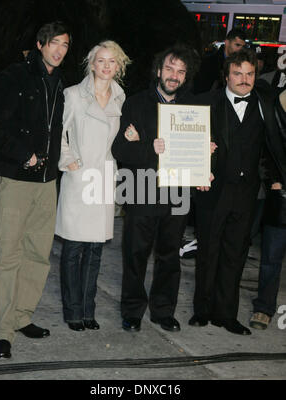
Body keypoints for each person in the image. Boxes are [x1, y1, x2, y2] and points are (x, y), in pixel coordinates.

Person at [0, 21, 71, 360]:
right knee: (8, 255)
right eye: (54, 43)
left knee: (37, 254)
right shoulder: (13, 78)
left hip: (47, 183)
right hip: (16, 181)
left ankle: (22, 317)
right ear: (40, 44)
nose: (59, 50)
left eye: (65, 45)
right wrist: (24, 154)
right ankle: (3, 332)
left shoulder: (60, 84)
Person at [189, 49, 286, 335]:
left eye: (249, 74)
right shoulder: (207, 103)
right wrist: (198, 160)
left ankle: (226, 314)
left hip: (247, 195)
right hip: (212, 188)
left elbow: (272, 145)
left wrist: (274, 180)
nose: (244, 80)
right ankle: (202, 310)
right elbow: (186, 136)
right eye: (237, 74)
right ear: (226, 75)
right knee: (208, 251)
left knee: (235, 253)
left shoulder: (265, 103)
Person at [111, 45, 199, 333]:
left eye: (181, 72)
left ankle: (163, 311)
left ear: (186, 77)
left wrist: (204, 151)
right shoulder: (136, 104)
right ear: (159, 71)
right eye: (170, 69)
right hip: (142, 190)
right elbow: (121, 149)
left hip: (177, 194)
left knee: (169, 256)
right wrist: (150, 148)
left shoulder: (193, 109)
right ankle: (133, 311)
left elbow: (197, 152)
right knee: (135, 254)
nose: (174, 76)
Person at [55, 41, 131, 332]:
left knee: (95, 250)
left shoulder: (121, 99)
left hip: (103, 178)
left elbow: (121, 140)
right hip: (78, 177)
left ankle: (89, 310)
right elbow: (57, 132)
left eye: (112, 61)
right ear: (92, 64)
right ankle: (73, 310)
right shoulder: (73, 95)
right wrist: (68, 159)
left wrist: (132, 137)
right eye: (101, 61)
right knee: (74, 248)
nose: (107, 66)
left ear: (119, 66)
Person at [250, 89, 286, 330]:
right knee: (271, 254)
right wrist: (273, 179)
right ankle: (264, 307)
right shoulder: (271, 102)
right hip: (280, 191)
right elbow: (261, 149)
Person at [192, 28, 246, 94]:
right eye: (237, 45)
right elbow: (200, 90)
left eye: (242, 46)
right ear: (227, 42)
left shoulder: (242, 64)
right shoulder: (209, 62)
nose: (240, 49)